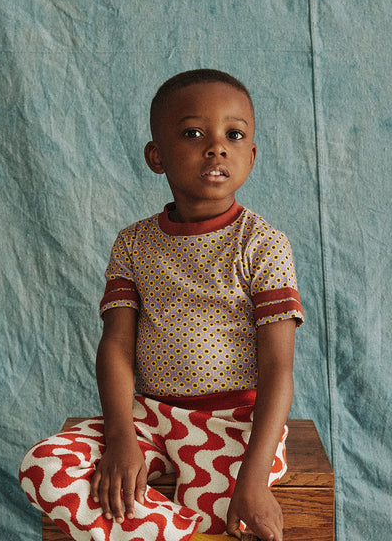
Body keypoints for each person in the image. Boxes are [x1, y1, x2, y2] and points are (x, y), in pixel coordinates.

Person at [19, 69, 304, 541]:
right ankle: (187, 536)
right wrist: (120, 439)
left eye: (234, 135)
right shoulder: (133, 244)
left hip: (234, 425)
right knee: (45, 466)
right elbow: (116, 346)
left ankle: (181, 529)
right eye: (193, 134)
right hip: (147, 418)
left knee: (229, 512)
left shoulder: (263, 245)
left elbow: (278, 369)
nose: (216, 148)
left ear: (251, 156)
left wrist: (253, 479)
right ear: (156, 156)